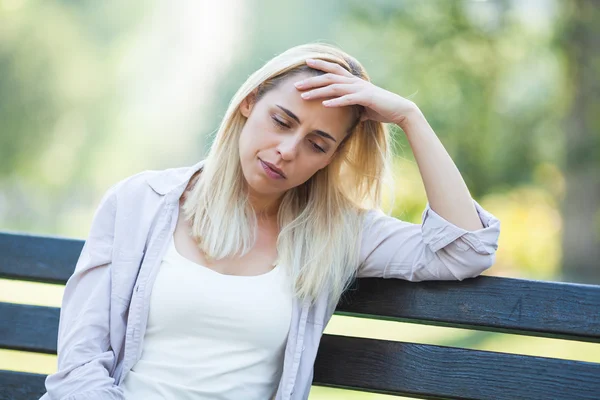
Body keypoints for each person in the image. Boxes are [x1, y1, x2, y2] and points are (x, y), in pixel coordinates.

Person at [40, 42, 501, 400]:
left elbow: (464, 249)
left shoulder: (337, 233)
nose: (288, 150)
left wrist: (409, 117)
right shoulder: (139, 202)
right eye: (282, 121)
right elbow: (80, 363)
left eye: (317, 144)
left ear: (331, 160)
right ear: (249, 103)